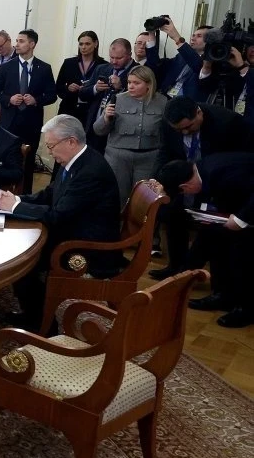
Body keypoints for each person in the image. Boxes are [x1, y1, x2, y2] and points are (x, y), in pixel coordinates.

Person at [0, 115, 122, 331]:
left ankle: (43, 324)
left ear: (71, 141)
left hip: (88, 249)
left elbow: (57, 215)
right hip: (71, 232)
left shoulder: (91, 171)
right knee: (21, 251)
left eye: (51, 146)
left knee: (23, 257)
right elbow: (49, 194)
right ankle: (36, 314)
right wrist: (16, 200)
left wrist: (14, 208)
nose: (49, 152)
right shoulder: (74, 160)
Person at [149, 96, 254, 279]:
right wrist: (157, 179)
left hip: (220, 182)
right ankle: (176, 267)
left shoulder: (228, 123)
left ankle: (195, 274)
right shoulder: (169, 122)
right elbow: (165, 151)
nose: (184, 132)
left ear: (199, 113)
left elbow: (241, 162)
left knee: (213, 229)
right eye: (179, 130)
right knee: (173, 214)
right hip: (184, 176)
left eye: (188, 127)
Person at [157, 153, 254, 328]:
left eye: (183, 192)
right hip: (238, 207)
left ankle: (246, 309)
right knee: (216, 241)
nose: (186, 194)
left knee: (242, 253)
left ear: (185, 186)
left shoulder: (224, 174)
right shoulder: (201, 170)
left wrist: (241, 219)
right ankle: (223, 295)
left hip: (249, 211)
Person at [0, 28, 57, 193]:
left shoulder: (44, 68)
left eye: (21, 41)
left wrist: (36, 100)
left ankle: (25, 195)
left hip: (31, 123)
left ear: (32, 44)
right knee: (5, 158)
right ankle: (0, 192)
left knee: (28, 162)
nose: (17, 44)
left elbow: (52, 95)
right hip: (9, 122)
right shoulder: (6, 67)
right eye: (17, 41)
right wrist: (9, 99)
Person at [92, 65, 168, 208]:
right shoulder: (117, 99)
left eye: (136, 83)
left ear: (149, 84)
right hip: (118, 158)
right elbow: (98, 130)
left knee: (143, 202)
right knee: (116, 199)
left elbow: (166, 134)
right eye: (129, 82)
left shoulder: (162, 102)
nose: (131, 86)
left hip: (148, 158)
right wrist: (106, 118)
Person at [80, 38, 136, 151]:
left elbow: (140, 99)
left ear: (129, 55)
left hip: (117, 132)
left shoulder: (138, 71)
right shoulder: (102, 68)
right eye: (111, 57)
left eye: (119, 58)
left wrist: (122, 87)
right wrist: (95, 88)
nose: (114, 61)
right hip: (94, 128)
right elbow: (82, 94)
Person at [144, 18, 209, 101]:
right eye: (193, 35)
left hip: (188, 104)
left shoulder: (210, 63)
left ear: (210, 41)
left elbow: (198, 65)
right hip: (164, 100)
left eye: (199, 36)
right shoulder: (181, 57)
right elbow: (155, 66)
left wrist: (176, 37)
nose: (193, 38)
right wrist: (151, 35)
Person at [55, 30, 106, 123]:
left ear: (95, 44)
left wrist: (91, 89)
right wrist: (68, 88)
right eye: (81, 44)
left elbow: (105, 91)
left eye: (87, 44)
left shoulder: (103, 65)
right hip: (69, 110)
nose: (83, 47)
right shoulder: (69, 63)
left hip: (90, 111)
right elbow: (58, 87)